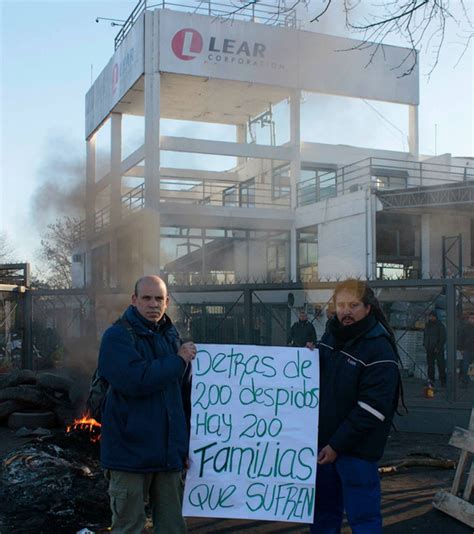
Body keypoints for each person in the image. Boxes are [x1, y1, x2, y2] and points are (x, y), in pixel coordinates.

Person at [98, 275, 197, 534]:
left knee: (173, 528)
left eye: (159, 299)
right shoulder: (116, 336)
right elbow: (135, 380)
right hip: (129, 457)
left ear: (167, 302)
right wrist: (178, 362)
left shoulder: (172, 336)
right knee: (129, 527)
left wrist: (186, 445)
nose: (153, 304)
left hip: (168, 458)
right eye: (147, 298)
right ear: (134, 300)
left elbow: (185, 396)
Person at [311, 279, 401, 534]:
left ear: (368, 308)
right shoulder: (330, 336)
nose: (346, 311)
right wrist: (307, 357)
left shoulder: (380, 350)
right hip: (324, 449)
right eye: (341, 305)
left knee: (364, 520)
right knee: (323, 516)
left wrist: (336, 445)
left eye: (353, 305)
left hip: (356, 453)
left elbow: (372, 409)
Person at [423, 310, 446, 387]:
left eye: (432, 316)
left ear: (435, 317)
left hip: (438, 349)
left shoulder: (440, 325)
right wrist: (425, 344)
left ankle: (443, 381)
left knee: (441, 365)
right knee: (430, 366)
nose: (430, 318)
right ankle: (431, 381)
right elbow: (425, 335)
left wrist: (438, 347)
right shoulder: (427, 325)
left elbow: (442, 337)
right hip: (429, 348)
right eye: (430, 316)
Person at [458, 311, 474, 385]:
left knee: (470, 366)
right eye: (471, 318)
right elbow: (460, 338)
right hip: (467, 349)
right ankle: (465, 381)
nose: (472, 319)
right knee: (465, 366)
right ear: (468, 319)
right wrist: (461, 349)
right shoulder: (465, 328)